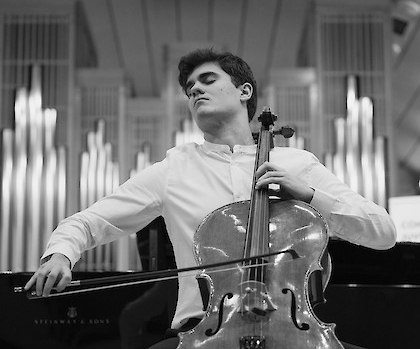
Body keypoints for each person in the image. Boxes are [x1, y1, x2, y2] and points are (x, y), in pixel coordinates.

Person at [25, 48, 397, 349]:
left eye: (207, 80)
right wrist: (61, 252)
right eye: (190, 89)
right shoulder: (175, 168)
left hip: (293, 331)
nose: (195, 91)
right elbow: (91, 220)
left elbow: (382, 232)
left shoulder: (296, 163)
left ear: (244, 91)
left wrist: (310, 196)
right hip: (203, 332)